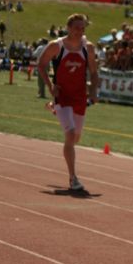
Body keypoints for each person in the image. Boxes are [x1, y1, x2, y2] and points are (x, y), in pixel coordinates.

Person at [37, 13, 99, 191]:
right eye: (77, 28)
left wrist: (93, 91)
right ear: (69, 28)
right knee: (70, 135)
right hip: (62, 96)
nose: (80, 31)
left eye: (83, 28)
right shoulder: (56, 46)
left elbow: (94, 72)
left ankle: (54, 109)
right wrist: (50, 87)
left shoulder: (89, 48)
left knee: (76, 137)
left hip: (80, 97)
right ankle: (73, 178)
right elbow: (41, 64)